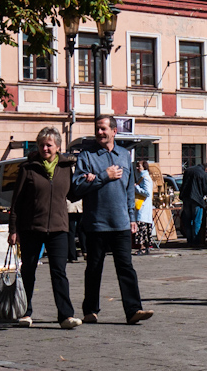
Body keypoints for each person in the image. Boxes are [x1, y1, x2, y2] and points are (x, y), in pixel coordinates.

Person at [72, 115, 153, 325]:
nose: (99, 132)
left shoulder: (125, 155)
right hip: (96, 222)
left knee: (126, 267)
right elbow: (76, 188)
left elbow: (129, 190)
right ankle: (90, 310)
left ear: (114, 132)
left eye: (103, 129)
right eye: (97, 129)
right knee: (94, 268)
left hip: (121, 222)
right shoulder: (86, 156)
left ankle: (133, 309)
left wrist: (132, 217)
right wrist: (102, 176)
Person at [8, 127, 82, 329]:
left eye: (49, 144)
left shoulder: (66, 168)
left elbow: (73, 194)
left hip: (59, 227)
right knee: (28, 271)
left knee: (59, 272)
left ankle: (66, 316)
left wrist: (89, 181)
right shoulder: (28, 168)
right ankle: (24, 312)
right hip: (31, 228)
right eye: (41, 144)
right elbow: (17, 202)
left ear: (58, 147)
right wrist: (13, 230)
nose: (45, 148)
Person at [179, 163, 207, 247]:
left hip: (186, 198)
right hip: (197, 200)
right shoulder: (203, 174)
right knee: (196, 220)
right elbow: (205, 190)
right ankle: (196, 241)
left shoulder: (188, 170)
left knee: (188, 220)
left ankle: (189, 240)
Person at [134, 161, 154, 255]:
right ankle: (145, 247)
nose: (137, 168)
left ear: (144, 167)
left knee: (142, 229)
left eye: (139, 166)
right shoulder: (143, 177)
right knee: (144, 229)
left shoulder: (145, 178)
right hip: (144, 208)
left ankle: (142, 248)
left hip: (143, 207)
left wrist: (136, 187)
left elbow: (147, 193)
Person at [67, 198, 85, 263]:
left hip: (69, 206)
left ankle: (72, 256)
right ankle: (85, 251)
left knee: (70, 232)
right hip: (80, 205)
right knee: (81, 230)